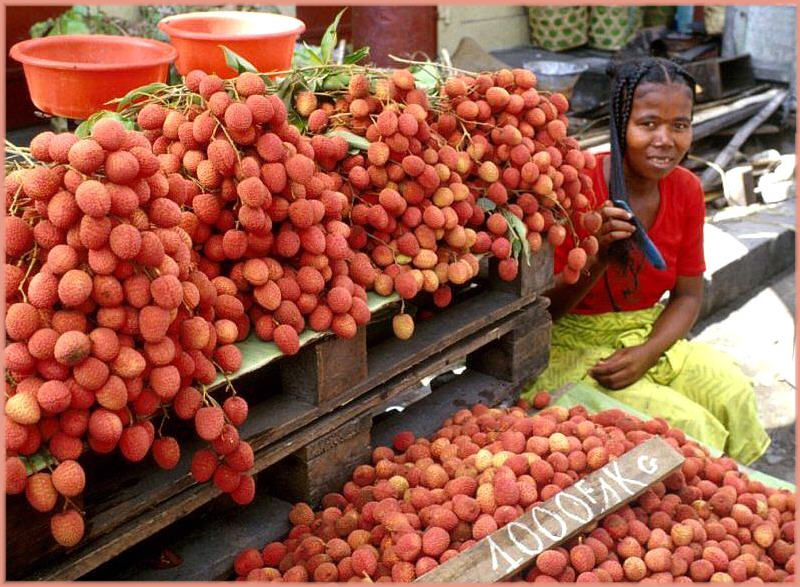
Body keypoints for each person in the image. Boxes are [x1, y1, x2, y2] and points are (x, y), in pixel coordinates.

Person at [521, 57, 770, 465]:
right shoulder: (574, 184)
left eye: (680, 125)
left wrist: (651, 350)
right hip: (568, 343)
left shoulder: (687, 190)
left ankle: (742, 503)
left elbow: (689, 294)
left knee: (735, 394)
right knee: (690, 427)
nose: (665, 140)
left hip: (644, 329)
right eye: (648, 123)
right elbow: (544, 312)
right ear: (621, 125)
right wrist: (597, 256)